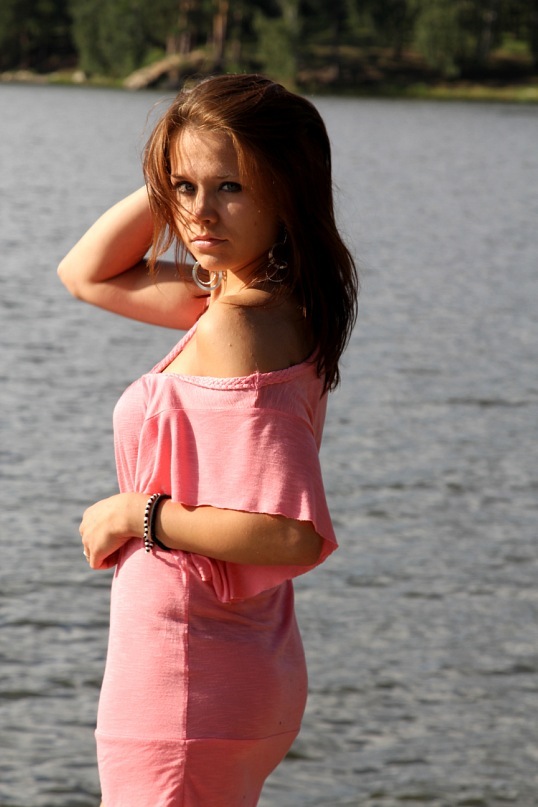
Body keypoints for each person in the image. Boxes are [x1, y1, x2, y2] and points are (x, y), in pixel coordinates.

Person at [58, 73, 358, 807]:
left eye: (231, 187)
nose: (198, 212)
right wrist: (182, 159)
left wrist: (137, 515)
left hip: (185, 684)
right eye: (182, 188)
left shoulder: (236, 323)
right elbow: (84, 274)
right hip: (221, 668)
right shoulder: (257, 301)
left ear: (287, 192)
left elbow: (289, 533)